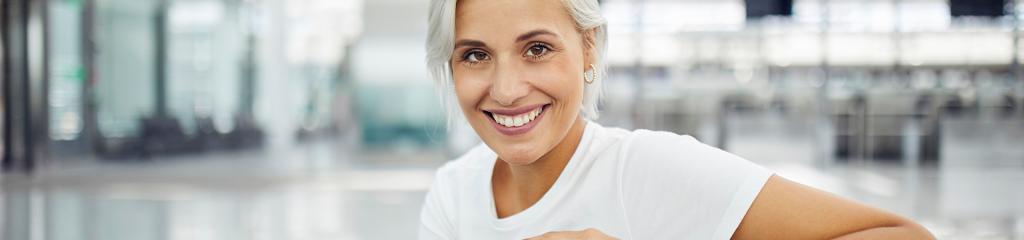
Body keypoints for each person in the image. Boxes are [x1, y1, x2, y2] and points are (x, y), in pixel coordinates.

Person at [418, 0, 935, 239]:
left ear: (587, 49)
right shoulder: (453, 193)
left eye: (536, 48)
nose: (506, 89)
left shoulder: (646, 169)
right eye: (475, 55)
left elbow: (904, 235)